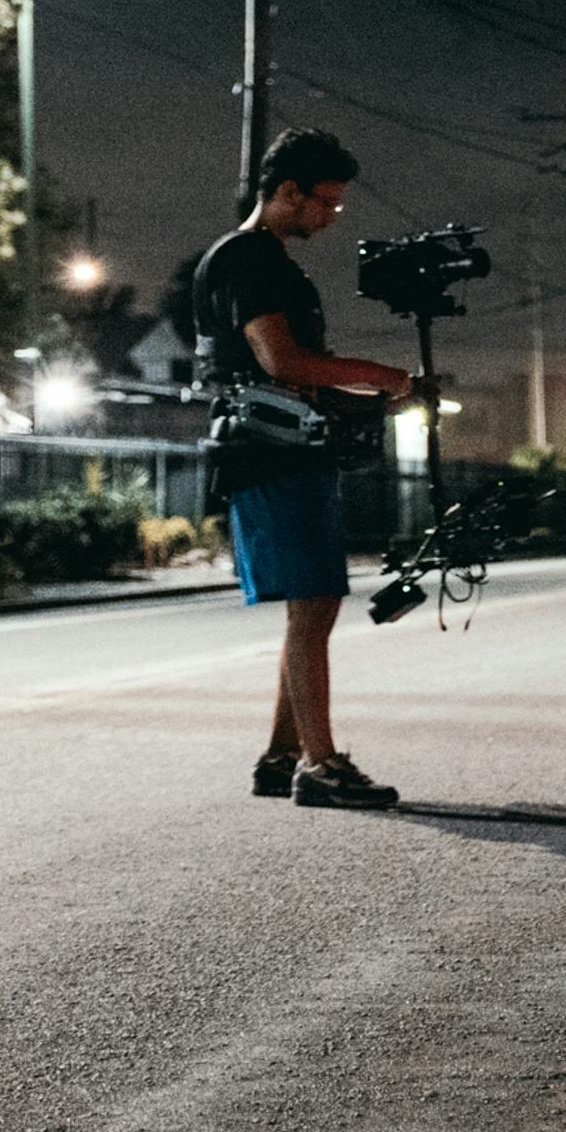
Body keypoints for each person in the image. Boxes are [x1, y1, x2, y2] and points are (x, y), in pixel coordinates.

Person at [193, 128, 417, 807]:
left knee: (313, 606)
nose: (331, 215)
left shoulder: (265, 259)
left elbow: (294, 372)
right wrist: (379, 375)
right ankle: (320, 766)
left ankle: (282, 755)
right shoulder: (249, 260)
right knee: (312, 604)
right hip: (268, 452)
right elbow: (281, 362)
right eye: (325, 202)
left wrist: (382, 388)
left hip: (283, 447)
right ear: (286, 191)